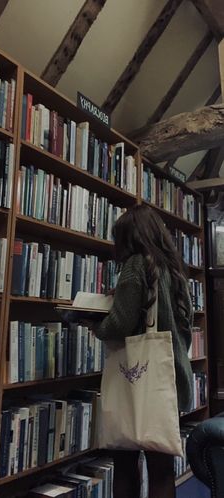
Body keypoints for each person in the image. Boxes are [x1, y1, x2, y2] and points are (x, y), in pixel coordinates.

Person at [92, 204, 193, 498]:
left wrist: (94, 324)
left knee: (126, 466)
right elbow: (184, 329)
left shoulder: (136, 265)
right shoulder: (173, 271)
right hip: (167, 379)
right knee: (161, 470)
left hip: (135, 381)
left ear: (130, 236)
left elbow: (119, 325)